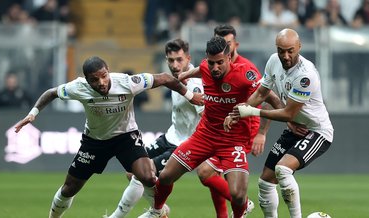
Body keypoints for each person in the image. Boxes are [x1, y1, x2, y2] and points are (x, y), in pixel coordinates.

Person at [14, 56, 203, 218]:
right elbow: (51, 93)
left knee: (147, 176)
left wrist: (189, 95)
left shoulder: (127, 82)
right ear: (87, 80)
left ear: (108, 71)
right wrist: (33, 113)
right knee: (69, 188)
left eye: (104, 76)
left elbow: (165, 78)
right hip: (95, 142)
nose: (101, 82)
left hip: (126, 137)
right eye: (95, 80)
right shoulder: (78, 87)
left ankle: (158, 211)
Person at [139, 36, 280, 218]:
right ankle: (157, 211)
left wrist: (289, 116)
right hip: (204, 136)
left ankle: (238, 214)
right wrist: (185, 75)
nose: (215, 68)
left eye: (220, 63)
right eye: (212, 63)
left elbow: (269, 95)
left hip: (233, 140)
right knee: (166, 176)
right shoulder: (207, 67)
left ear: (229, 57)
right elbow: (201, 69)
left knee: (237, 195)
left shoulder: (246, 74)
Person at [224, 28, 334, 218]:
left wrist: (251, 111)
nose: (285, 55)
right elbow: (262, 93)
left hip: (316, 131)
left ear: (299, 47)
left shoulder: (305, 76)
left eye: (290, 50)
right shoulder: (274, 61)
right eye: (281, 50)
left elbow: (288, 113)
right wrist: (236, 112)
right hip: (295, 129)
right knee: (265, 182)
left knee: (283, 169)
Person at [104, 39, 204, 218]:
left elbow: (206, 116)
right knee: (132, 170)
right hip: (171, 136)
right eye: (171, 60)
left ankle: (118, 216)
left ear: (188, 58)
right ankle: (160, 210)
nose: (175, 65)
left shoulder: (195, 83)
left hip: (186, 144)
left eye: (179, 60)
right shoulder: (175, 78)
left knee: (140, 174)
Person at [195, 24, 267, 218]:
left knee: (208, 172)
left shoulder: (248, 70)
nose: (223, 47)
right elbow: (201, 70)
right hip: (218, 131)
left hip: (241, 133)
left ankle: (243, 204)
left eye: (227, 43)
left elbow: (266, 97)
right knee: (208, 173)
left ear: (235, 44)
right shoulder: (213, 67)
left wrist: (261, 132)